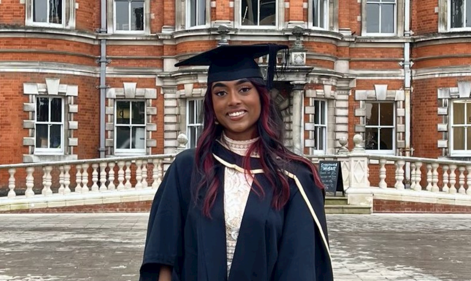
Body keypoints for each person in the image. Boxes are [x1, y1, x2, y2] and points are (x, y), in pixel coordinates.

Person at [139, 44, 334, 281]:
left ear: (261, 96)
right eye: (220, 93)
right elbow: (163, 256)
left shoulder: (294, 177)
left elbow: (299, 266)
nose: (233, 101)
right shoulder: (188, 168)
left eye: (244, 89)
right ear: (211, 104)